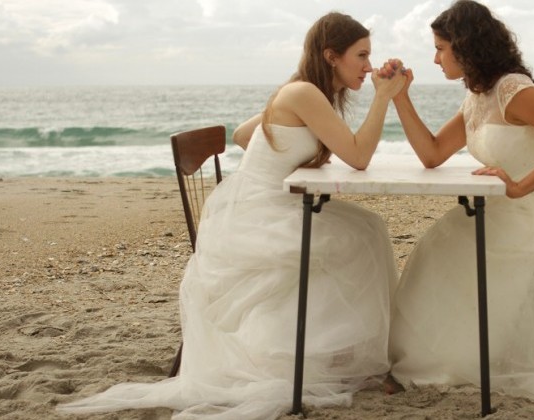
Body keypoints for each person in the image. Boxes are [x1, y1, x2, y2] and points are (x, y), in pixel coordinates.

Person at [59, 12, 406, 420]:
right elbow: (360, 157)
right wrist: (384, 97)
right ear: (332, 56)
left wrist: (281, 157)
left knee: (364, 227)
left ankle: (336, 355)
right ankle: (342, 358)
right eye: (361, 55)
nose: (368, 66)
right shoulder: (305, 94)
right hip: (258, 217)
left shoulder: (303, 91)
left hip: (255, 205)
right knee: (363, 236)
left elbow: (244, 134)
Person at [387, 0, 534, 413]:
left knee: (456, 249)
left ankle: (448, 360)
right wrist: (400, 98)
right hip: (509, 209)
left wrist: (519, 188)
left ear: (465, 47)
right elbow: (433, 153)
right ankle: (430, 354)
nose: (435, 57)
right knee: (437, 244)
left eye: (440, 48)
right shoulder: (478, 95)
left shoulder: (513, 90)